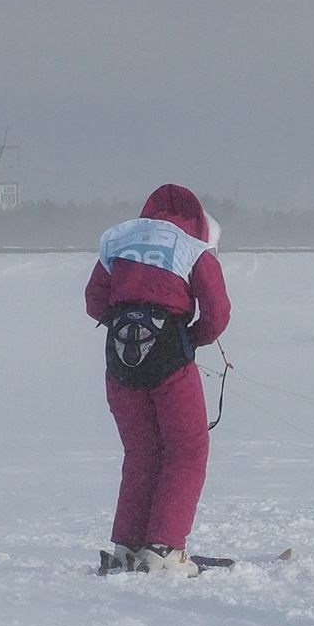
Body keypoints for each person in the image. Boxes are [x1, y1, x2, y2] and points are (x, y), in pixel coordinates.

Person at [86, 185, 231, 572]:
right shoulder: (194, 248)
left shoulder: (120, 240)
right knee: (186, 450)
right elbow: (217, 313)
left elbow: (94, 301)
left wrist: (126, 323)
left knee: (141, 452)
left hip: (120, 357)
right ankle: (164, 549)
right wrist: (190, 339)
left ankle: (128, 546)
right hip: (170, 358)